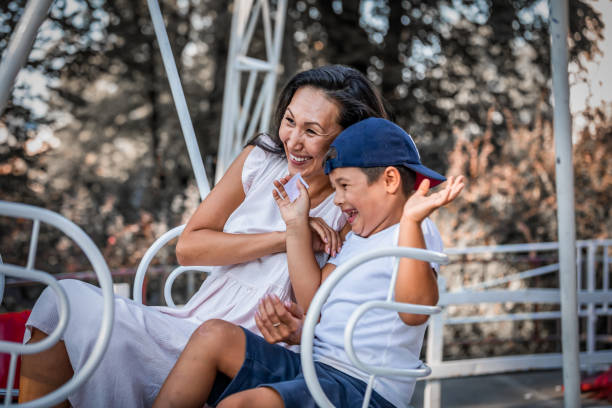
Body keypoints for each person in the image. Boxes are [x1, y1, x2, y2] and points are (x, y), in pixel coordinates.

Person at [19, 66, 395, 408]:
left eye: (311, 131)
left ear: (347, 137)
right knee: (62, 301)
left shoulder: (349, 201)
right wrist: (285, 237)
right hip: (192, 322)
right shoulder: (262, 159)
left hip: (253, 345)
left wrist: (299, 232)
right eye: (289, 121)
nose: (292, 141)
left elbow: (319, 308)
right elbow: (189, 247)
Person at [153, 117, 465, 408]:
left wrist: (411, 221)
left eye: (344, 186)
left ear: (390, 180)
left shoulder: (414, 230)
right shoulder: (356, 238)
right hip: (314, 368)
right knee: (213, 336)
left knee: (244, 405)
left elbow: (413, 312)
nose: (338, 200)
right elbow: (315, 296)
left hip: (362, 387)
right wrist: (296, 226)